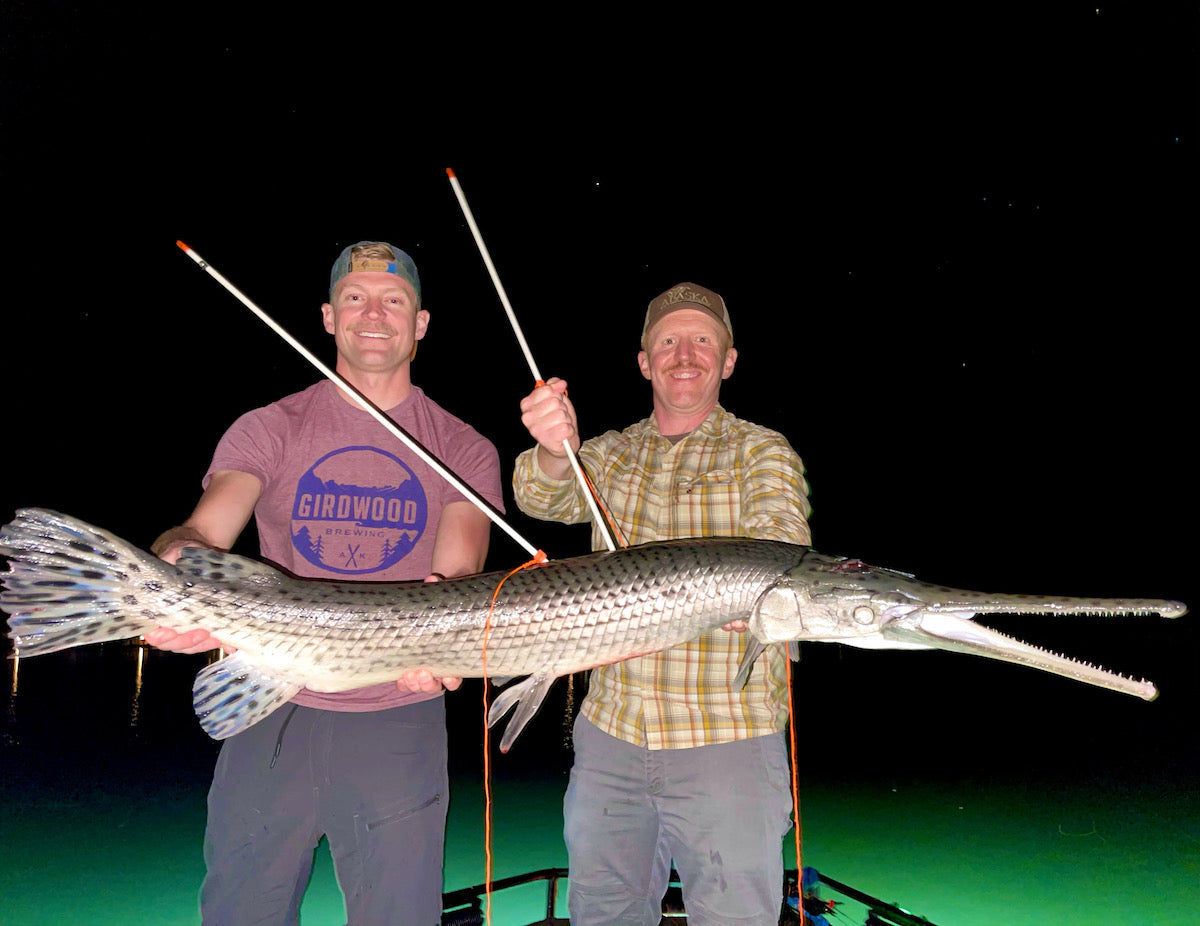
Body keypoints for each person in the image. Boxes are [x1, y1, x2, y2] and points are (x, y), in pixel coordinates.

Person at [146, 241, 502, 926]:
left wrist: (447, 651)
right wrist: (168, 576)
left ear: (420, 323)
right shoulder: (270, 427)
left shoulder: (463, 447)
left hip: (400, 715)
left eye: (393, 301)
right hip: (271, 707)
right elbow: (201, 533)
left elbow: (458, 576)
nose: (374, 314)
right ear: (328, 317)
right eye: (355, 298)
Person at [514, 282, 812, 926]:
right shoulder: (612, 452)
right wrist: (551, 445)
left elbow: (781, 538)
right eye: (668, 341)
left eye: (703, 340)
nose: (685, 354)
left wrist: (757, 593)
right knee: (604, 913)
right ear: (645, 361)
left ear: (728, 360)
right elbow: (541, 496)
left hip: (726, 737)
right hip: (611, 739)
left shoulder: (763, 450)